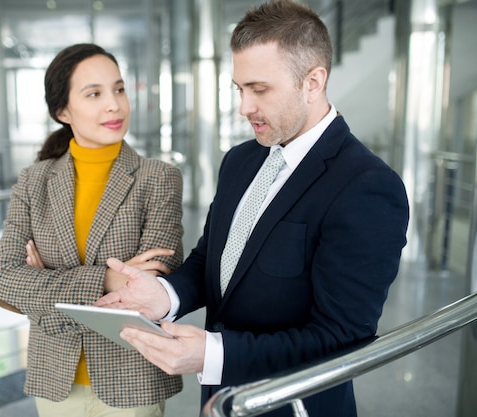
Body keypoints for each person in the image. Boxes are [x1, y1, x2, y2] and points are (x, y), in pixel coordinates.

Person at [94, 1, 410, 416]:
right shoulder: (242, 160)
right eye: (240, 89)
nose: (244, 107)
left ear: (313, 82)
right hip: (221, 402)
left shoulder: (367, 186)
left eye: (259, 90)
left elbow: (343, 338)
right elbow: (214, 260)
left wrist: (215, 353)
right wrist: (165, 295)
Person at [0, 43, 184, 417]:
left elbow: (149, 294)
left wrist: (44, 283)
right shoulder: (35, 181)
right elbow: (3, 282)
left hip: (130, 376)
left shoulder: (158, 179)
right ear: (63, 110)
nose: (114, 104)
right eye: (94, 94)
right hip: (56, 379)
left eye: (119, 89)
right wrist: (108, 281)